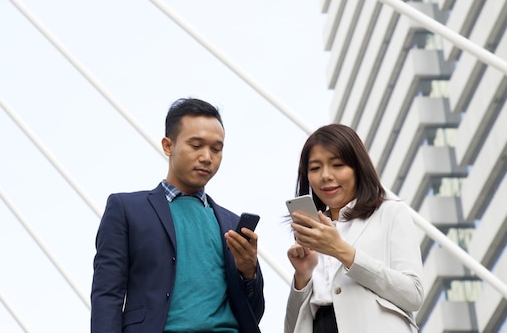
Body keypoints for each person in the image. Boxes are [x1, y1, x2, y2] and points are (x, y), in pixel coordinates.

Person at [91, 97, 265, 333]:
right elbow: (107, 296)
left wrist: (248, 273)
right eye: (196, 145)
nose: (207, 157)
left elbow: (251, 314)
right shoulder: (126, 209)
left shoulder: (232, 224)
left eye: (216, 149)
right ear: (168, 145)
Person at [284, 124, 423, 333]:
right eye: (315, 168)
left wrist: (341, 250)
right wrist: (302, 276)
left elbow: (413, 295)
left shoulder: (390, 213)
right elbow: (292, 327)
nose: (326, 176)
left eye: (338, 165)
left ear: (358, 168)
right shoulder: (312, 235)